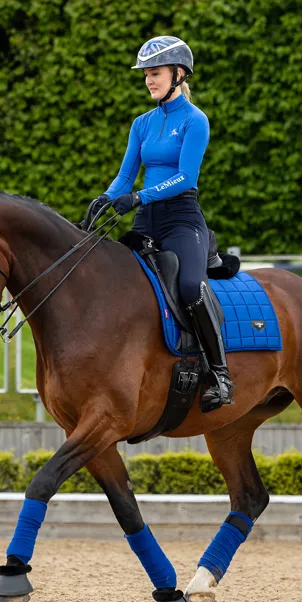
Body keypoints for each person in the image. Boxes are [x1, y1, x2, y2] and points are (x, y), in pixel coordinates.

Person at [87, 35, 233, 411]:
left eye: (155, 73)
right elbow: (125, 175)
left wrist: (137, 197)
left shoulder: (195, 120)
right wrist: (106, 198)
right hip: (146, 219)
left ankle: (220, 374)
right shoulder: (142, 123)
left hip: (182, 219)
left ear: (178, 73)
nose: (149, 81)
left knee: (189, 286)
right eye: (146, 75)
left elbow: (185, 177)